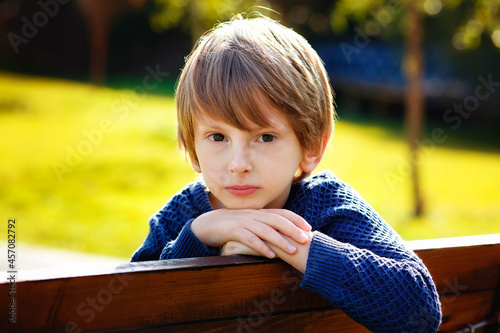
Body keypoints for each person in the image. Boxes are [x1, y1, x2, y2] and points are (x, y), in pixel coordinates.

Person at [131, 13, 442, 332]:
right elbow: (127, 311)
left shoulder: (325, 206)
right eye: (218, 137)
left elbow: (420, 311)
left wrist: (289, 244)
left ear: (311, 147)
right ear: (192, 146)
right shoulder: (181, 217)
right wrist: (199, 235)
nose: (238, 164)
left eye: (265, 137)